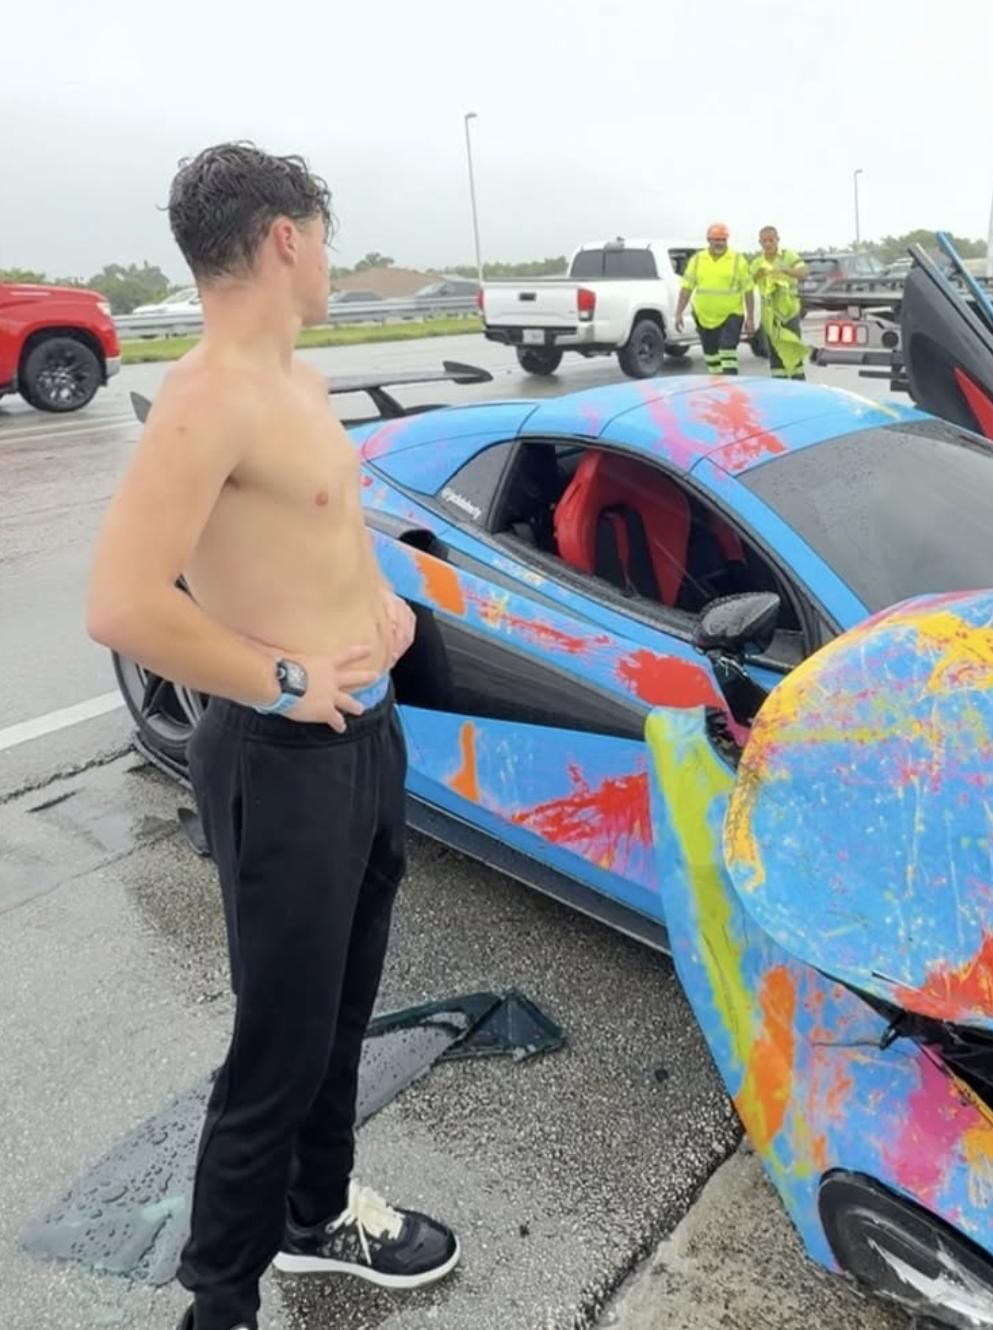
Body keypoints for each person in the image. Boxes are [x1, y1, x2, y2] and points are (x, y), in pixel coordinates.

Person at [84, 142, 458, 1330]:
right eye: (325, 239)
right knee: (276, 1050)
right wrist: (282, 674)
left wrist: (380, 608)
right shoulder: (209, 396)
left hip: (364, 740)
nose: (329, 263)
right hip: (283, 757)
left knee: (344, 1010)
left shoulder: (295, 377)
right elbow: (123, 602)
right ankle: (220, 1298)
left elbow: (312, 536)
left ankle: (319, 1211)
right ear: (289, 236)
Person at [674, 222, 754, 375]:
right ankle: (718, 386)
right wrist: (678, 313)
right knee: (711, 355)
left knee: (727, 352)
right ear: (708, 240)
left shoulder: (738, 260)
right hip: (704, 316)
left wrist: (750, 318)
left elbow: (748, 290)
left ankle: (730, 385)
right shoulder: (697, 260)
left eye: (723, 239)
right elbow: (686, 288)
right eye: (716, 239)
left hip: (731, 314)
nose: (720, 243)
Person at [750, 226, 810, 380]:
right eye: (764, 241)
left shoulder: (788, 256)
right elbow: (747, 285)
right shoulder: (757, 262)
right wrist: (757, 275)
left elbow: (804, 273)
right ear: (760, 242)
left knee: (792, 349)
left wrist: (786, 270)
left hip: (789, 313)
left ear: (778, 240)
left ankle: (799, 385)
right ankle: (779, 385)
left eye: (771, 240)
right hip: (770, 315)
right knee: (775, 354)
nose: (768, 244)